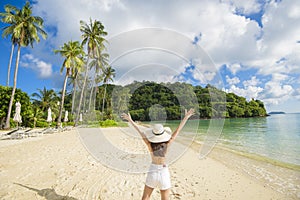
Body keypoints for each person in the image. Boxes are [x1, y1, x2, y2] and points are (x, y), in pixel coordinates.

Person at [121, 108, 195, 200]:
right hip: (163, 172)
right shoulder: (167, 144)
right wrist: (186, 117)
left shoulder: (150, 145)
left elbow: (140, 131)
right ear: (163, 133)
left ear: (153, 134)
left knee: (145, 198)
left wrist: (130, 120)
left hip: (152, 171)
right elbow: (178, 131)